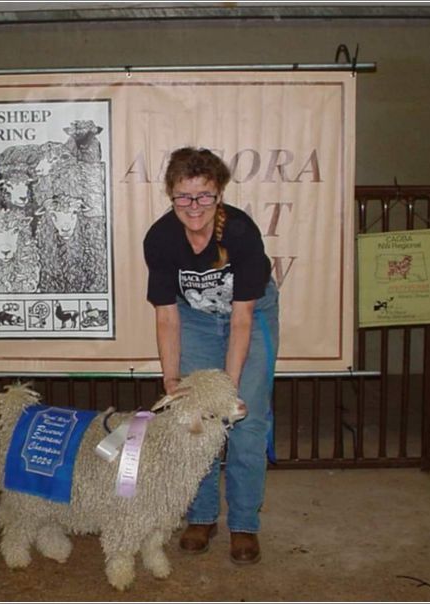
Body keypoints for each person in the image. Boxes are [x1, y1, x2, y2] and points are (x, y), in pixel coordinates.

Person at [143, 146, 279, 565]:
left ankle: (243, 524)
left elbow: (241, 321)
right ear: (171, 195)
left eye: (203, 196)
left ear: (219, 193)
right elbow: (167, 317)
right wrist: (171, 381)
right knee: (194, 421)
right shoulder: (161, 238)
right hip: (196, 320)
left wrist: (229, 390)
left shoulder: (239, 232)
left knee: (247, 420)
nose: (194, 207)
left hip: (250, 318)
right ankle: (201, 516)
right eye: (184, 197)